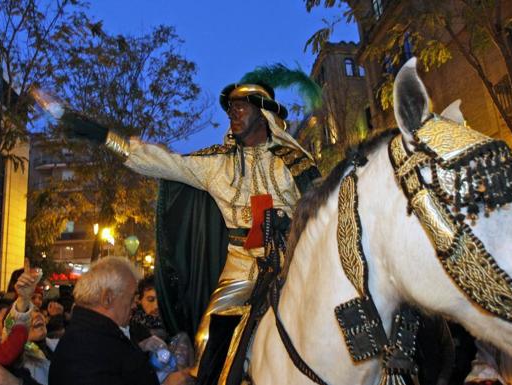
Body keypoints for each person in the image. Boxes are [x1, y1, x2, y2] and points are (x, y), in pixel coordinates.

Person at [55, 71, 322, 378]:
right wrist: (105, 137)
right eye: (230, 108)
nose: (233, 113)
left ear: (263, 112)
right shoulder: (216, 164)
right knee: (208, 338)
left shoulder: (294, 162)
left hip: (294, 259)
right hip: (241, 266)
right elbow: (163, 162)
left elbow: (321, 207)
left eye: (241, 107)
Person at [48, 257, 192, 385]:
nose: (135, 305)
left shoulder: (96, 337)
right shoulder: (85, 352)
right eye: (131, 298)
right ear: (108, 298)